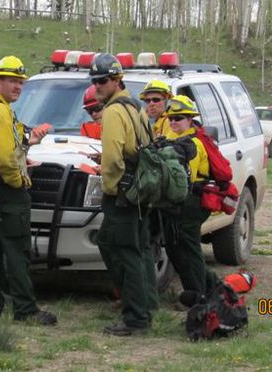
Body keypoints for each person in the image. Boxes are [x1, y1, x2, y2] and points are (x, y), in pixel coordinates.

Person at [0, 56, 57, 325]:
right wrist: (17, 182)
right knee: (18, 251)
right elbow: (6, 157)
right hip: (6, 191)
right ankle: (25, 310)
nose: (18, 86)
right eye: (12, 81)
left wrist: (29, 142)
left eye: (20, 82)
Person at [89, 53, 158, 336]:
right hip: (140, 192)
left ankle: (135, 318)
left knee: (126, 252)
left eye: (103, 81)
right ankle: (145, 304)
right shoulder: (136, 107)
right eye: (95, 81)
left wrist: (110, 188)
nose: (98, 87)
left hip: (123, 194)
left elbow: (114, 158)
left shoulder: (115, 111)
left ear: (117, 80)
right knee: (137, 249)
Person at [163, 95, 219, 305]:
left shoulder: (192, 144)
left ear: (190, 120)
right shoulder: (180, 141)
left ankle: (198, 296)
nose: (173, 122)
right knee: (178, 248)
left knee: (190, 249)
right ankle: (211, 287)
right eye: (171, 118)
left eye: (179, 118)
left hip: (191, 203)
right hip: (186, 203)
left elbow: (186, 182)